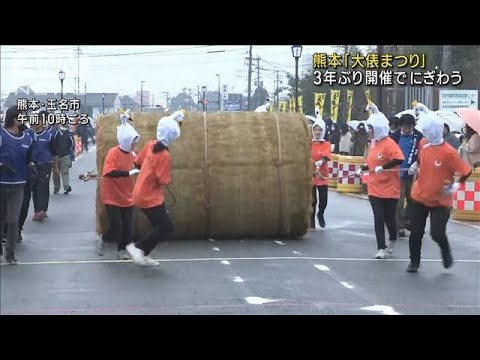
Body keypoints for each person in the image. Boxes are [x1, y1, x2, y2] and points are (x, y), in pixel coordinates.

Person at [406, 111, 472, 273]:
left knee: (436, 233)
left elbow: (466, 171)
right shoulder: (424, 145)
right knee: (415, 232)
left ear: (434, 131)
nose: (425, 134)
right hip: (420, 196)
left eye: (427, 131)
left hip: (440, 201)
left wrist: (455, 186)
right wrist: (416, 165)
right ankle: (414, 262)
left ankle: (445, 249)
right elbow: (422, 160)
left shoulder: (448, 152)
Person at [126, 118, 181, 266]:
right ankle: (138, 248)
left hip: (141, 192)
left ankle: (143, 254)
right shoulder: (164, 155)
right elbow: (163, 180)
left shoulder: (150, 144)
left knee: (159, 226)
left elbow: (137, 162)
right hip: (149, 196)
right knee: (166, 227)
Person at [357, 102, 405, 259]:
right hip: (375, 187)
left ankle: (392, 238)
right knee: (378, 217)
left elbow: (399, 159)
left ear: (378, 129)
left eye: (370, 128)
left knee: (389, 218)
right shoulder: (373, 144)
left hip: (390, 188)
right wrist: (362, 168)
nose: (368, 131)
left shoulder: (389, 143)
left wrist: (384, 167)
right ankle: (380, 248)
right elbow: (371, 162)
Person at [99, 112, 141, 260]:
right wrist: (128, 173)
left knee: (128, 228)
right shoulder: (113, 153)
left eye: (135, 142)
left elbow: (142, 164)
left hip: (127, 195)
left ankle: (121, 250)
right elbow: (108, 172)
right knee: (117, 227)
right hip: (112, 196)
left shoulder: (133, 154)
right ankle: (104, 238)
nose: (134, 145)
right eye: (132, 142)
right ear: (125, 140)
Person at [0, 106, 35, 264]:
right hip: (2, 184)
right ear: (15, 119)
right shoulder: (2, 135)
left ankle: (10, 253)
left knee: (13, 220)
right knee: (1, 218)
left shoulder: (27, 138)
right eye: (23, 117)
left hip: (19, 185)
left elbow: (29, 158)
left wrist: (32, 167)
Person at [390, 114, 424, 238]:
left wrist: (417, 162)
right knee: (398, 202)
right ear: (400, 126)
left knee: (414, 200)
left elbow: (424, 151)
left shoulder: (419, 137)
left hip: (413, 174)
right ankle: (399, 226)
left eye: (409, 127)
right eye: (404, 127)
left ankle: (409, 220)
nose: (407, 130)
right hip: (398, 174)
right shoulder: (394, 137)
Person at [31, 110, 57, 221]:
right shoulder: (28, 135)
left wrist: (56, 167)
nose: (36, 123)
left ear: (42, 122)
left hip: (45, 164)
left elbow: (54, 152)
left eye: (39, 121)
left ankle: (42, 210)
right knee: (35, 188)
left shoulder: (49, 136)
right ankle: (37, 210)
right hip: (32, 165)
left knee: (43, 187)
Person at [310, 119, 331, 229]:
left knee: (323, 200)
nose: (317, 132)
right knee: (312, 200)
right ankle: (311, 220)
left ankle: (320, 214)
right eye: (315, 130)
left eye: (319, 130)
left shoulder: (326, 144)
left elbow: (327, 155)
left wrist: (321, 160)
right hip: (311, 176)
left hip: (322, 176)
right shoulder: (309, 143)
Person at [53, 117, 74, 194]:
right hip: (55, 156)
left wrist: (71, 158)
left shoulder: (69, 133)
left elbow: (72, 146)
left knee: (65, 172)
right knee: (56, 172)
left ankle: (66, 187)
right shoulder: (54, 132)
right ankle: (56, 187)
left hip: (65, 155)